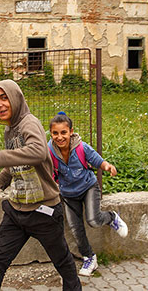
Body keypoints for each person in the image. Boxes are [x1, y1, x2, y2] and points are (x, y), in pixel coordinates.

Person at [0, 80, 81, 291]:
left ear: (16, 98)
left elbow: (38, 152)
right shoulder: (11, 129)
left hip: (44, 211)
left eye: (4, 98)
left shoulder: (28, 123)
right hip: (17, 210)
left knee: (62, 261)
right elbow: (18, 160)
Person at [47, 112, 128, 276]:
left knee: (93, 220)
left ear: (71, 131)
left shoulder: (81, 147)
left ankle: (112, 217)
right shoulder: (50, 151)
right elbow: (47, 171)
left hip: (88, 187)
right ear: (51, 133)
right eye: (55, 133)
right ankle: (89, 257)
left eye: (63, 132)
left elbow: (98, 161)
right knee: (76, 229)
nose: (59, 137)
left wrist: (108, 167)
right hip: (68, 195)